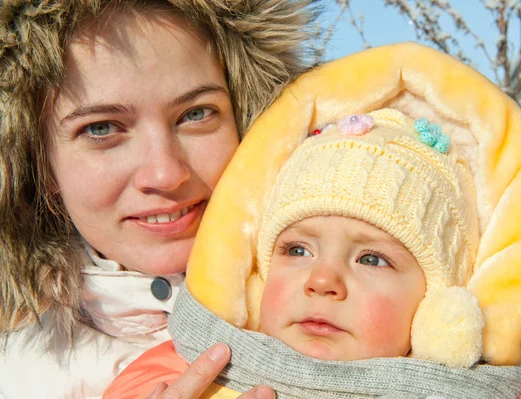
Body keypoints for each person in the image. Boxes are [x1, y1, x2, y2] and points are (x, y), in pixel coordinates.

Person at [104, 42, 521, 397]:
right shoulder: (173, 375)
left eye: (372, 258)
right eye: (296, 250)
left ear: (438, 308)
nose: (323, 280)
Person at [0, 1, 319, 398]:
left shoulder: (358, 299)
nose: (166, 173)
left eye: (196, 114)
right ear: (41, 164)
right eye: (101, 128)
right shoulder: (17, 378)